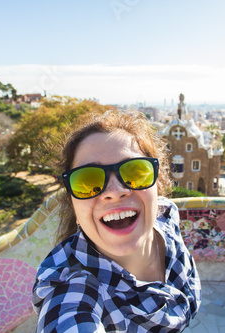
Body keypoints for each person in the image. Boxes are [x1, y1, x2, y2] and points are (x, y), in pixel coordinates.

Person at [32, 110, 201, 332]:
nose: (115, 191)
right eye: (88, 180)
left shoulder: (168, 218)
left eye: (135, 172)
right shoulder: (74, 291)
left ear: (157, 183)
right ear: (72, 201)